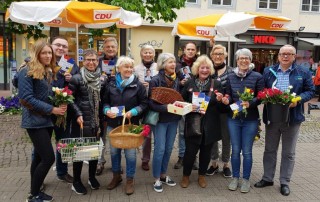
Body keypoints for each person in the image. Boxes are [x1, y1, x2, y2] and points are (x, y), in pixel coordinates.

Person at [254, 44, 314, 196]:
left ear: (294, 57)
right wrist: (264, 97)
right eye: (283, 54)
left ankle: (284, 181)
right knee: (269, 150)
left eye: (289, 54)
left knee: (288, 152)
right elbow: (261, 90)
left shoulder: (303, 72)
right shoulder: (268, 71)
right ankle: (267, 178)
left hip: (292, 118)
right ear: (278, 56)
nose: (285, 56)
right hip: (273, 117)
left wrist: (298, 99)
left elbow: (311, 91)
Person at [19, 39, 67, 202]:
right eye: (44, 52)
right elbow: (26, 98)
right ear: (37, 53)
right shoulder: (27, 70)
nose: (47, 55)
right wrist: (52, 109)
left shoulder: (47, 70)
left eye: (49, 53)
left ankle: (35, 192)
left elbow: (45, 95)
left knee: (39, 157)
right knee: (48, 158)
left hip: (46, 120)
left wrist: (59, 98)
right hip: (34, 120)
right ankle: (33, 194)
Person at [102, 56, 148, 195]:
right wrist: (106, 110)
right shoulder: (110, 84)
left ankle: (129, 180)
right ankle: (116, 176)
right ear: (119, 68)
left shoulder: (137, 84)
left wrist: (134, 111)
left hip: (131, 125)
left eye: (130, 67)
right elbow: (104, 102)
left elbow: (144, 103)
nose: (128, 69)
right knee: (115, 153)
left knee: (131, 154)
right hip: (113, 124)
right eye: (125, 67)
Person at [180, 55, 225, 188]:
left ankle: (201, 176)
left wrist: (220, 100)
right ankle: (186, 176)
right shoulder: (189, 83)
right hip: (193, 122)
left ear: (210, 69)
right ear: (197, 69)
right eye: (202, 67)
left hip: (210, 124)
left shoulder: (216, 83)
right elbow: (181, 100)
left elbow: (221, 107)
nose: (204, 70)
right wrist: (189, 105)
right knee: (190, 152)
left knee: (206, 153)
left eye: (207, 68)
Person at [225, 48, 264, 193]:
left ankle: (246, 179)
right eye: (241, 58)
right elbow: (228, 94)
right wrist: (226, 99)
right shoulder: (230, 76)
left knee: (247, 151)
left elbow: (260, 96)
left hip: (251, 119)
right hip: (233, 118)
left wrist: (251, 103)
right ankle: (235, 178)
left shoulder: (257, 76)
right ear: (237, 60)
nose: (244, 60)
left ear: (250, 60)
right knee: (235, 150)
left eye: (247, 58)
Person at [68, 49, 102, 195]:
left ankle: (91, 177)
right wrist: (77, 113)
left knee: (94, 151)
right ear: (83, 61)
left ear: (98, 62)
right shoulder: (76, 78)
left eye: (94, 60)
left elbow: (104, 99)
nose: (91, 62)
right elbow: (69, 99)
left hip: (96, 121)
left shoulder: (102, 78)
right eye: (88, 59)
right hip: (81, 121)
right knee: (80, 152)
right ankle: (76, 182)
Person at [149, 53, 181, 193]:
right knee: (160, 149)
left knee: (168, 149)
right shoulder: (155, 80)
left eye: (174, 62)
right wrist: (166, 107)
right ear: (163, 64)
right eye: (169, 62)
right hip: (160, 120)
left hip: (174, 119)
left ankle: (163, 175)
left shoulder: (177, 80)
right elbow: (151, 104)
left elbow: (178, 98)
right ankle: (156, 177)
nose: (173, 64)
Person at [51, 36, 79, 184]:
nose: (61, 48)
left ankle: (62, 172)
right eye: (58, 45)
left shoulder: (71, 64)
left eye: (64, 46)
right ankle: (38, 177)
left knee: (63, 141)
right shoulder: (44, 61)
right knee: (40, 146)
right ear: (51, 46)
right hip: (47, 111)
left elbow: (78, 79)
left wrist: (72, 77)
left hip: (64, 110)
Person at [206, 44, 232, 178]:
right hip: (211, 110)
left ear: (225, 56)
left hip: (226, 110)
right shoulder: (207, 71)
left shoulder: (231, 71)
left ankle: (226, 164)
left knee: (226, 137)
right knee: (212, 137)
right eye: (215, 54)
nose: (218, 56)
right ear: (211, 56)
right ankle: (214, 163)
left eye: (221, 54)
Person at [96, 37, 119, 176]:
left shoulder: (121, 62)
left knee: (115, 135)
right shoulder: (97, 62)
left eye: (113, 47)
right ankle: (100, 161)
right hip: (100, 103)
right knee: (100, 134)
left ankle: (116, 164)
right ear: (103, 48)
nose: (110, 49)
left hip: (116, 103)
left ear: (117, 48)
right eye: (108, 47)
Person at [175, 42, 199, 170]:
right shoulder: (177, 64)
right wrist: (180, 82)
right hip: (182, 100)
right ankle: (181, 156)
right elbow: (172, 81)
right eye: (188, 49)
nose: (190, 51)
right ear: (184, 50)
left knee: (194, 131)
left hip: (195, 101)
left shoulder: (199, 64)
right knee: (182, 131)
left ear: (195, 51)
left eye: (192, 49)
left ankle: (193, 157)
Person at [134, 44, 158, 171]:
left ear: (154, 54)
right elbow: (132, 84)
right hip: (143, 104)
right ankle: (145, 159)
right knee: (147, 134)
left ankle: (158, 158)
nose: (148, 54)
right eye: (145, 52)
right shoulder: (136, 68)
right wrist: (139, 85)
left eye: (150, 52)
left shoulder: (159, 67)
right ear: (141, 54)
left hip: (157, 103)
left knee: (158, 133)